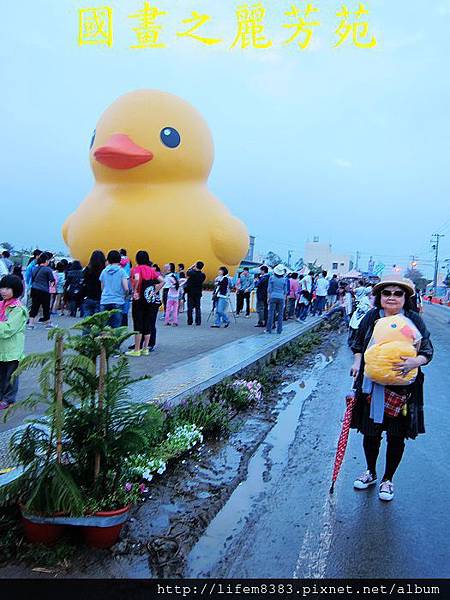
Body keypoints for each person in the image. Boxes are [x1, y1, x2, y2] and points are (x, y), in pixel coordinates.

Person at [349, 275, 433, 502]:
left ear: (406, 298)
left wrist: (415, 362)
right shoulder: (372, 318)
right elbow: (357, 344)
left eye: (398, 293)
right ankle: (371, 472)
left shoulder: (413, 320)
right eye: (387, 293)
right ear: (379, 297)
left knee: (396, 436)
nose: (392, 297)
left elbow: (427, 350)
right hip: (371, 387)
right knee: (370, 432)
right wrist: (357, 362)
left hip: (403, 390)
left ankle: (388, 479)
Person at [127, 250, 164, 356]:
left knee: (138, 323)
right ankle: (145, 348)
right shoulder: (152, 270)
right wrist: (154, 290)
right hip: (149, 300)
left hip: (138, 300)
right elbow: (162, 280)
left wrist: (135, 291)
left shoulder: (135, 269)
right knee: (148, 323)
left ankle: (137, 349)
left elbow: (137, 280)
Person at [0, 275, 28, 410]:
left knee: (10, 376)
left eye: (7, 288)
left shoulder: (18, 309)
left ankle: (9, 399)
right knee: (1, 375)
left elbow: (9, 328)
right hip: (1, 348)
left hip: (12, 349)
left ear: (15, 290)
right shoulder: (1, 305)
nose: (3, 291)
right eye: (2, 287)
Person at [100, 250, 129, 329]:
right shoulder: (122, 272)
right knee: (116, 328)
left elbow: (102, 287)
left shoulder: (104, 271)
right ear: (119, 260)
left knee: (104, 328)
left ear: (108, 260)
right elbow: (126, 288)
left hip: (105, 300)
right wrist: (126, 296)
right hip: (118, 301)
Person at [27, 253, 56, 329]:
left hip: (34, 289)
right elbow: (52, 281)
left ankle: (31, 324)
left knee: (34, 307)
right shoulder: (48, 269)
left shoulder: (34, 268)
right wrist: (52, 287)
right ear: (46, 261)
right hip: (44, 291)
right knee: (46, 307)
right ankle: (48, 324)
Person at [82, 250, 106, 318]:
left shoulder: (87, 270)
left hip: (88, 297)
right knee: (97, 322)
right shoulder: (104, 271)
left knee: (87, 321)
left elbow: (83, 281)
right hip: (100, 297)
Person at [266, 264, 288, 334]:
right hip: (281, 297)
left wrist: (268, 298)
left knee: (271, 314)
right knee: (280, 314)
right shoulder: (284, 279)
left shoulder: (271, 278)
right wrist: (284, 299)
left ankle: (269, 329)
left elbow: (269, 289)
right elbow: (285, 291)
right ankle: (279, 330)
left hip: (273, 296)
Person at [185, 261, 206, 326]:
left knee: (190, 307)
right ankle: (198, 321)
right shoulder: (202, 275)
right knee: (197, 307)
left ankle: (190, 321)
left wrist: (192, 266)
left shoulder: (191, 273)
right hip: (198, 292)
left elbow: (187, 272)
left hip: (190, 292)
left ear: (196, 266)